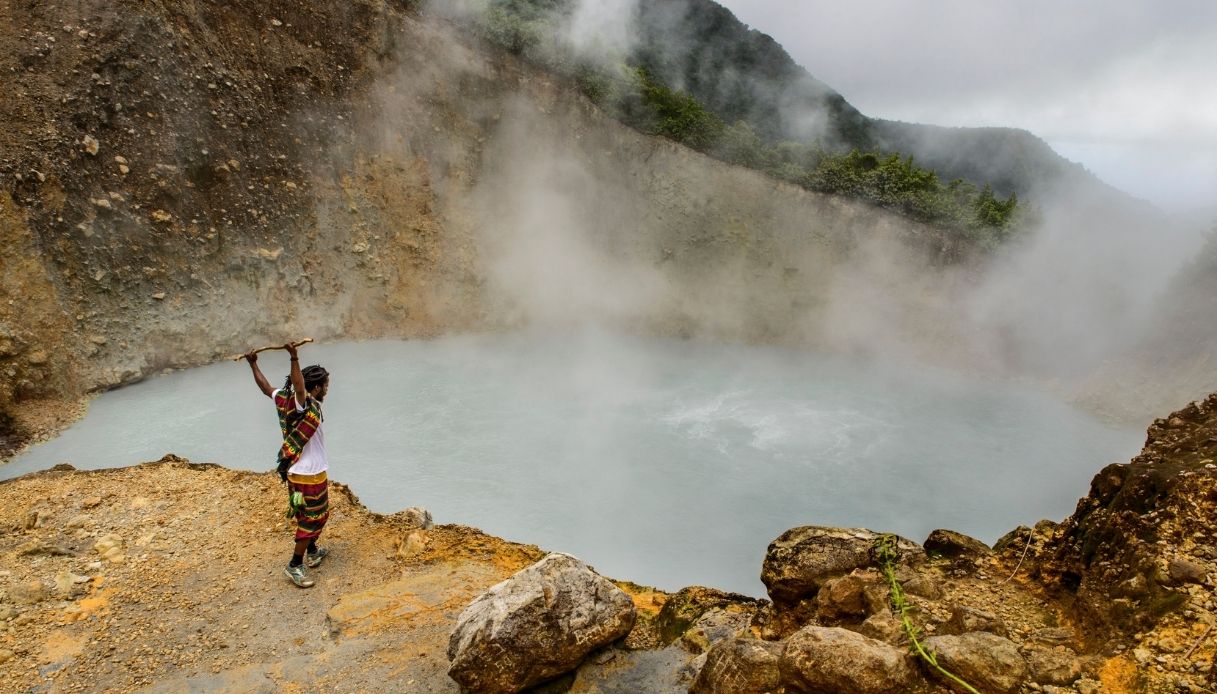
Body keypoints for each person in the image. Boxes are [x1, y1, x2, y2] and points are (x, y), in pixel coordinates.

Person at [246, 342, 331, 588]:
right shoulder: (301, 404)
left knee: (316, 514)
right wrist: (294, 357)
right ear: (316, 387)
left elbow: (265, 388)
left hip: (307, 472)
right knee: (310, 519)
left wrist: (253, 364)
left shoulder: (283, 399)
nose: (327, 390)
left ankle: (312, 551)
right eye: (325, 386)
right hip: (306, 474)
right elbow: (299, 388)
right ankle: (294, 564)